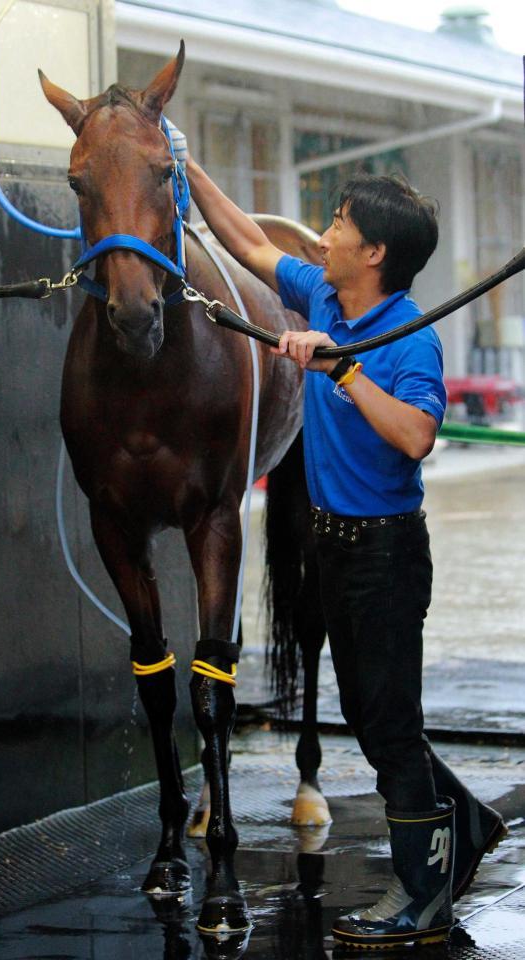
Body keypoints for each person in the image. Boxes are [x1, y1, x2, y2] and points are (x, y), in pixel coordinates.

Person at [184, 155, 507, 950]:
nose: (324, 235)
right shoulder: (323, 292)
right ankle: (463, 822)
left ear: (374, 255)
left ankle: (424, 895)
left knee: (388, 726)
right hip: (333, 546)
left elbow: (417, 437)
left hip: (386, 556)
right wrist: (185, 164)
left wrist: (345, 368)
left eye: (337, 225)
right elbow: (249, 241)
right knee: (369, 715)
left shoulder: (408, 341)